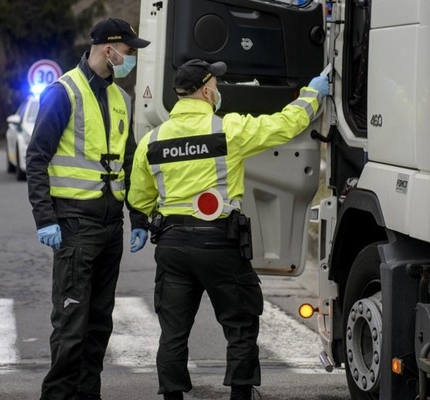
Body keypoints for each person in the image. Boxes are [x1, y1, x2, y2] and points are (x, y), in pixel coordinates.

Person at [126, 59, 329, 400]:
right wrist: (312, 94)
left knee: (173, 331)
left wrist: (139, 224)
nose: (218, 90)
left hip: (172, 247)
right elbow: (284, 125)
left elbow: (139, 196)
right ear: (206, 90)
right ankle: (240, 395)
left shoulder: (152, 140)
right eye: (216, 85)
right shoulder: (228, 129)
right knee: (240, 325)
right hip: (218, 242)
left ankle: (173, 397)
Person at [25, 17, 151, 400]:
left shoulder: (121, 98)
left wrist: (138, 217)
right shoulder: (64, 92)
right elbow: (37, 158)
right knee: (71, 324)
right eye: (128, 51)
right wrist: (45, 219)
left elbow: (128, 163)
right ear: (107, 49)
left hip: (110, 227)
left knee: (98, 325)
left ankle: (87, 395)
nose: (130, 59)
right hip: (74, 224)